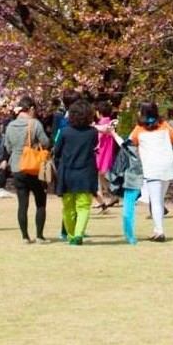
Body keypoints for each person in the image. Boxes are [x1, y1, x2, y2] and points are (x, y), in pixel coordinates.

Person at [130, 101, 173, 242]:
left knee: (155, 201)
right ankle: (157, 229)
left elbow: (129, 143)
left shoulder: (139, 129)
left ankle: (159, 231)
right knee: (158, 200)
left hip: (151, 169)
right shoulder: (164, 126)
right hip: (167, 168)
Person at [4, 98, 50, 242]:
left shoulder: (10, 126)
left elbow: (8, 147)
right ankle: (40, 236)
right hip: (33, 167)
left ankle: (24, 236)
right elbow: (45, 143)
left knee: (22, 204)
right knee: (40, 201)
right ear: (30, 108)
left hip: (17, 167)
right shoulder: (35, 123)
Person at [53, 100, 99, 245]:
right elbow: (94, 146)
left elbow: (57, 151)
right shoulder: (92, 133)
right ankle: (79, 234)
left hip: (67, 173)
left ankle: (71, 235)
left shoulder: (65, 131)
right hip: (85, 173)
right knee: (84, 206)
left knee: (68, 207)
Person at [115, 134, 145, 244]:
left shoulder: (130, 149)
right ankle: (130, 235)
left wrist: (113, 134)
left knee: (128, 208)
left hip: (131, 180)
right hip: (135, 181)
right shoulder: (141, 150)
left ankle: (129, 235)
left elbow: (122, 143)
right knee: (129, 209)